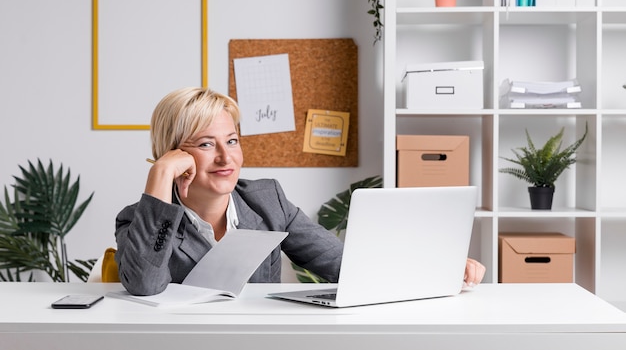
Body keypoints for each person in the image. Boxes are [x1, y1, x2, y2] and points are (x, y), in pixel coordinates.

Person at [114, 87, 485, 296]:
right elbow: (145, 284)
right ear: (176, 154)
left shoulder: (265, 200)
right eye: (207, 144)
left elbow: (344, 262)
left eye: (232, 140)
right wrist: (160, 175)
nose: (227, 157)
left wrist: (439, 268)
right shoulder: (137, 219)